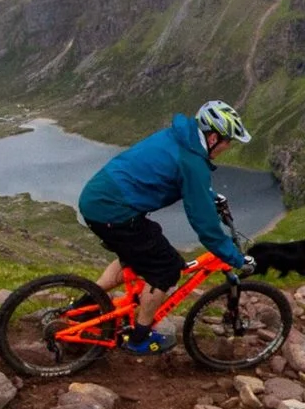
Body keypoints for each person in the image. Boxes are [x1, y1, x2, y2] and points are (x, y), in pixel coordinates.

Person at [77, 100, 254, 354]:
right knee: (167, 268)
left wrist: (209, 195)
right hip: (114, 211)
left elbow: (181, 179)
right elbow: (204, 225)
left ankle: (83, 305)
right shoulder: (192, 162)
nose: (228, 147)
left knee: (135, 253)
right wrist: (234, 257)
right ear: (213, 137)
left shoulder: (179, 136)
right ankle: (139, 339)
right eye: (228, 141)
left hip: (97, 199)